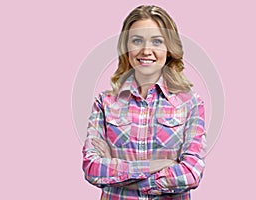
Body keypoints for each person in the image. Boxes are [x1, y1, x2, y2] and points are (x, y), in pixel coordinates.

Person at [82, 5, 207, 200]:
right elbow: (92, 168)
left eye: (157, 41)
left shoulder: (190, 103)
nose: (146, 50)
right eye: (137, 40)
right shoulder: (105, 103)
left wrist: (119, 175)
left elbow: (190, 173)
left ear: (169, 49)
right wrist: (157, 165)